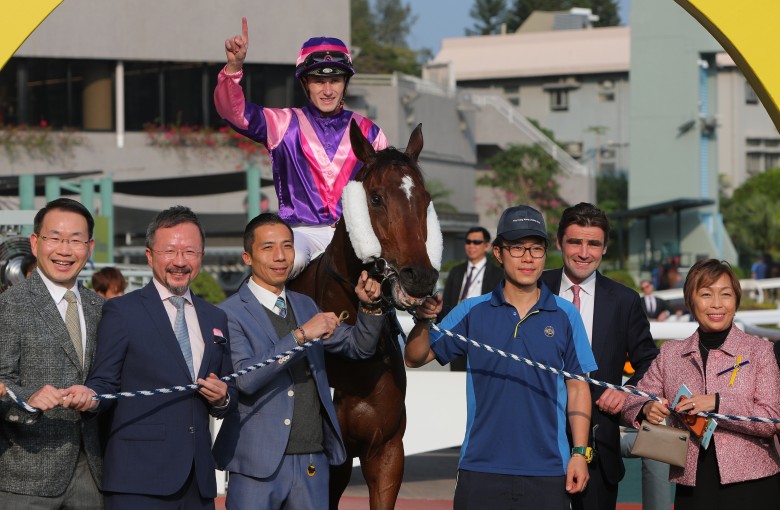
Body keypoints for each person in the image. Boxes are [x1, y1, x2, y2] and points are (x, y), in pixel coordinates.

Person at [405, 205, 597, 509]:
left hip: (548, 470)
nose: (527, 258)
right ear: (498, 253)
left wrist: (579, 453)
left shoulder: (565, 314)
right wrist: (423, 320)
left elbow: (578, 388)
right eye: (517, 248)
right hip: (480, 468)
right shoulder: (472, 311)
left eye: (536, 248)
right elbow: (414, 357)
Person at [65, 206, 237, 510]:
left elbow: (228, 389)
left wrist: (222, 398)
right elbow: (104, 381)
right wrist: (90, 395)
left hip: (198, 482)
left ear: (202, 256)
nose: (180, 262)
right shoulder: (122, 312)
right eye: (169, 251)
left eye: (190, 252)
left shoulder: (216, 317)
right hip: (137, 480)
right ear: (149, 256)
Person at [211, 213, 387, 509]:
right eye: (268, 248)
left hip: (312, 459)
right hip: (256, 462)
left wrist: (370, 308)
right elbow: (244, 378)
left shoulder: (306, 305)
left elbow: (359, 347)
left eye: (288, 246)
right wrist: (300, 336)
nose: (280, 257)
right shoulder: (228, 313)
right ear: (247, 257)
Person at [215, 18, 388, 278]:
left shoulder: (370, 132)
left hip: (358, 233)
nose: (328, 90)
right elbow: (233, 113)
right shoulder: (283, 123)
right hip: (302, 234)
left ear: (345, 83)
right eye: (319, 81)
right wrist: (234, 67)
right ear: (305, 84)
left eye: (336, 81)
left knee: (395, 281)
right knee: (281, 265)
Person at [622, 258, 780, 509]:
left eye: (726, 294)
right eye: (706, 294)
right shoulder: (671, 354)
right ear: (690, 301)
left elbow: (771, 419)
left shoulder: (760, 351)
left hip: (755, 484)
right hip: (693, 487)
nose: (717, 304)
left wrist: (717, 402)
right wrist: (645, 408)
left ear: (736, 301)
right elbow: (632, 400)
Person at [540, 202, 661, 510]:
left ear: (605, 247)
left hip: (597, 443)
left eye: (593, 243)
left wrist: (627, 391)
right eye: (575, 242)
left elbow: (650, 361)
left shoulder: (625, 300)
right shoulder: (534, 288)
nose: (584, 252)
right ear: (559, 243)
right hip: (535, 439)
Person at [0, 198, 104, 509]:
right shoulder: (9, 305)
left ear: (89, 247)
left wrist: (96, 397)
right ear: (35, 243)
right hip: (25, 478)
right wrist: (28, 399)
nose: (64, 250)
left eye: (75, 240)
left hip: (92, 475)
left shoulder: (102, 308)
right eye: (55, 238)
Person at [440, 226, 503, 371]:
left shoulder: (498, 275)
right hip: (458, 332)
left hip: (485, 335)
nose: (471, 246)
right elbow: (447, 302)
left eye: (476, 242)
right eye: (468, 242)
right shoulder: (456, 272)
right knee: (457, 378)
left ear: (487, 246)